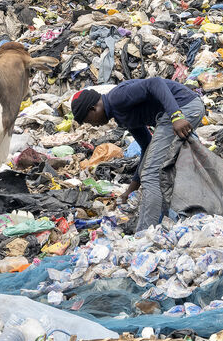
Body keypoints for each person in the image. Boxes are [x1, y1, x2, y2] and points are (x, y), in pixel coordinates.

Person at [71, 77, 206, 232]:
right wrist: (131, 189)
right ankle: (171, 221)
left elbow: (155, 83)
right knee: (165, 171)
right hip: (184, 109)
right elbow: (147, 146)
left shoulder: (116, 98)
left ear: (93, 109)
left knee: (151, 174)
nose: (93, 125)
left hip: (183, 107)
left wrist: (176, 116)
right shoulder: (121, 116)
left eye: (88, 120)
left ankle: (144, 234)